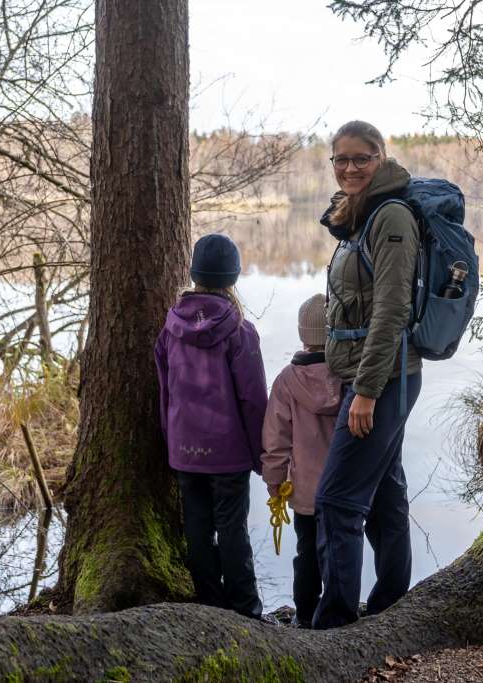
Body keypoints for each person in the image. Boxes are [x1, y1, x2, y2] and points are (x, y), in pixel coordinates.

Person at [312, 120, 422, 628]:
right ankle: (390, 605)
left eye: (362, 158)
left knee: (336, 500)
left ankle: (334, 623)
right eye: (342, 159)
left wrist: (367, 392)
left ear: (381, 157)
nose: (351, 167)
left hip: (382, 381)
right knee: (384, 492)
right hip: (373, 379)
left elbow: (392, 311)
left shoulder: (391, 215)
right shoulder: (358, 215)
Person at [153, 233, 265, 619]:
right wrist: (262, 457)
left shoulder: (170, 330)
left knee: (197, 528)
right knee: (233, 529)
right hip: (229, 453)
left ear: (194, 274)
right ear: (232, 279)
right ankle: (246, 609)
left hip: (185, 450)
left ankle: (209, 606)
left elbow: (165, 393)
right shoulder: (239, 331)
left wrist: (172, 444)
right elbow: (253, 401)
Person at [260, 293, 342, 628]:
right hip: (344, 489)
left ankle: (305, 615)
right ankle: (338, 613)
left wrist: (274, 481)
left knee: (306, 554)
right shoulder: (351, 378)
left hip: (306, 491)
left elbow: (276, 440)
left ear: (301, 334)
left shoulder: (285, 382)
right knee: (339, 552)